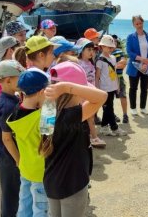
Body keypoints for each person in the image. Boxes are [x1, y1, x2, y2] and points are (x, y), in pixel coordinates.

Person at [41, 61, 107, 217]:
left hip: (52, 181)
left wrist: (64, 87)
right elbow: (102, 96)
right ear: (74, 92)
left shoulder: (48, 111)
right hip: (72, 183)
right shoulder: (72, 115)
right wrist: (66, 86)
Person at [6, 69, 50, 216]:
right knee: (41, 209)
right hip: (41, 172)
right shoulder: (43, 117)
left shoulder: (15, 111)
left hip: (25, 168)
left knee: (24, 204)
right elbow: (50, 141)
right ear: (41, 91)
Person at [0, 60, 26, 216]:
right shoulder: (8, 106)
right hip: (9, 156)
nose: (23, 80)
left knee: (11, 192)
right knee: (11, 195)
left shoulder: (8, 98)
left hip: (3, 153)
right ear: (7, 80)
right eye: (20, 77)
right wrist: (18, 160)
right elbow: (7, 138)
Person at [77, 37, 106, 147]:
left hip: (90, 93)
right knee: (88, 117)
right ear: (81, 50)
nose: (91, 52)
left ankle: (91, 137)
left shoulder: (90, 63)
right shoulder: (78, 63)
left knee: (90, 116)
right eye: (88, 50)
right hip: (82, 94)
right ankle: (94, 137)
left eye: (92, 50)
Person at [95, 35, 126, 136]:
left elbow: (115, 72)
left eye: (111, 47)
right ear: (102, 46)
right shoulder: (100, 59)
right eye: (108, 47)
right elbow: (97, 76)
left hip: (112, 87)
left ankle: (104, 126)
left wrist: (117, 86)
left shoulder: (113, 58)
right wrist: (97, 89)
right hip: (104, 88)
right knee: (109, 108)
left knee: (108, 108)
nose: (110, 49)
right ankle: (114, 127)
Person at [126, 15, 148, 116]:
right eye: (136, 24)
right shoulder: (130, 37)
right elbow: (129, 52)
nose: (139, 25)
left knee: (144, 88)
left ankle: (143, 107)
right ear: (133, 25)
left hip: (147, 66)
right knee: (133, 88)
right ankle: (133, 108)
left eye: (140, 23)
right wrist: (143, 60)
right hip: (134, 66)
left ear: (143, 22)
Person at [112, 34, 129, 123]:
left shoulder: (119, 51)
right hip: (109, 80)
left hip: (119, 78)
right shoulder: (105, 53)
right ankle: (112, 115)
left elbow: (123, 64)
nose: (113, 42)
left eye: (115, 41)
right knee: (110, 99)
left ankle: (125, 115)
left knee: (123, 96)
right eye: (112, 40)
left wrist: (112, 66)